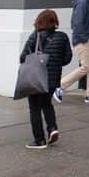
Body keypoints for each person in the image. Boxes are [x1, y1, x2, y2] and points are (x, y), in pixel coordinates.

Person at [20, 9, 71, 148]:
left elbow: (23, 57)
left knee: (34, 108)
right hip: (53, 80)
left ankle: (39, 140)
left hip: (36, 79)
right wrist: (54, 63)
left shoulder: (35, 36)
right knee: (47, 104)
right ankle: (52, 129)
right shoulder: (62, 36)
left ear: (39, 22)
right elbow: (67, 58)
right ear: (55, 22)